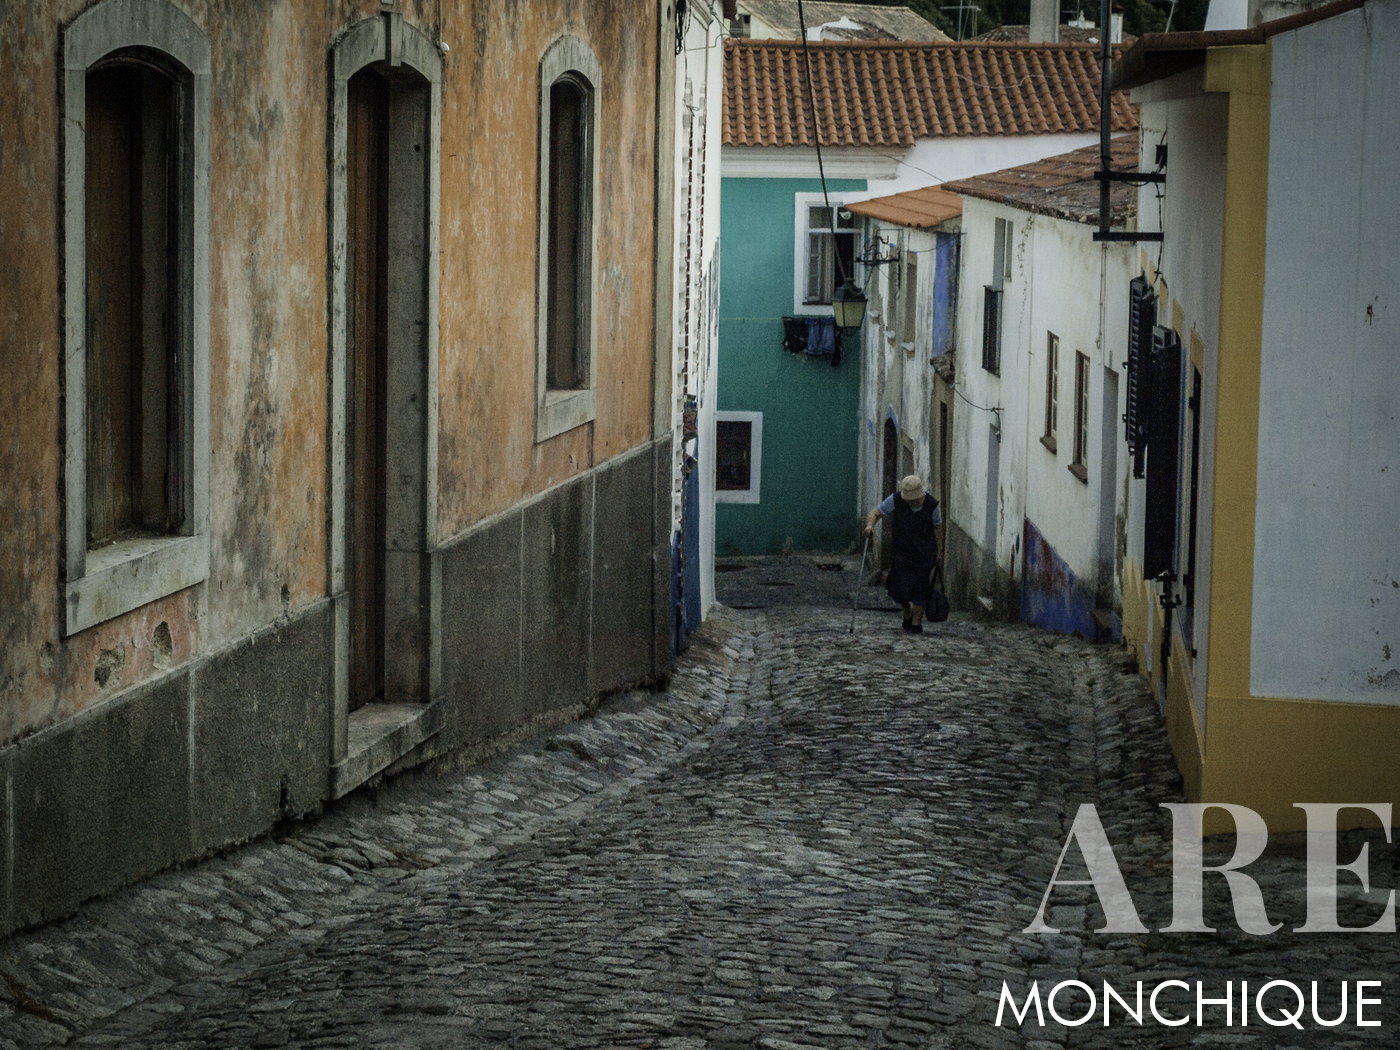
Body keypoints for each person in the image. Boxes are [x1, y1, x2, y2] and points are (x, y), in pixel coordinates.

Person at [864, 475, 944, 634]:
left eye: (913, 499)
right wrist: (870, 526)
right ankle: (907, 611)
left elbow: (938, 528)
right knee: (899, 589)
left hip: (924, 552)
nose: (911, 501)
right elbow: (875, 512)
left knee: (921, 587)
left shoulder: (932, 505)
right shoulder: (896, 500)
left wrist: (939, 551)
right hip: (901, 551)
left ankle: (916, 623)